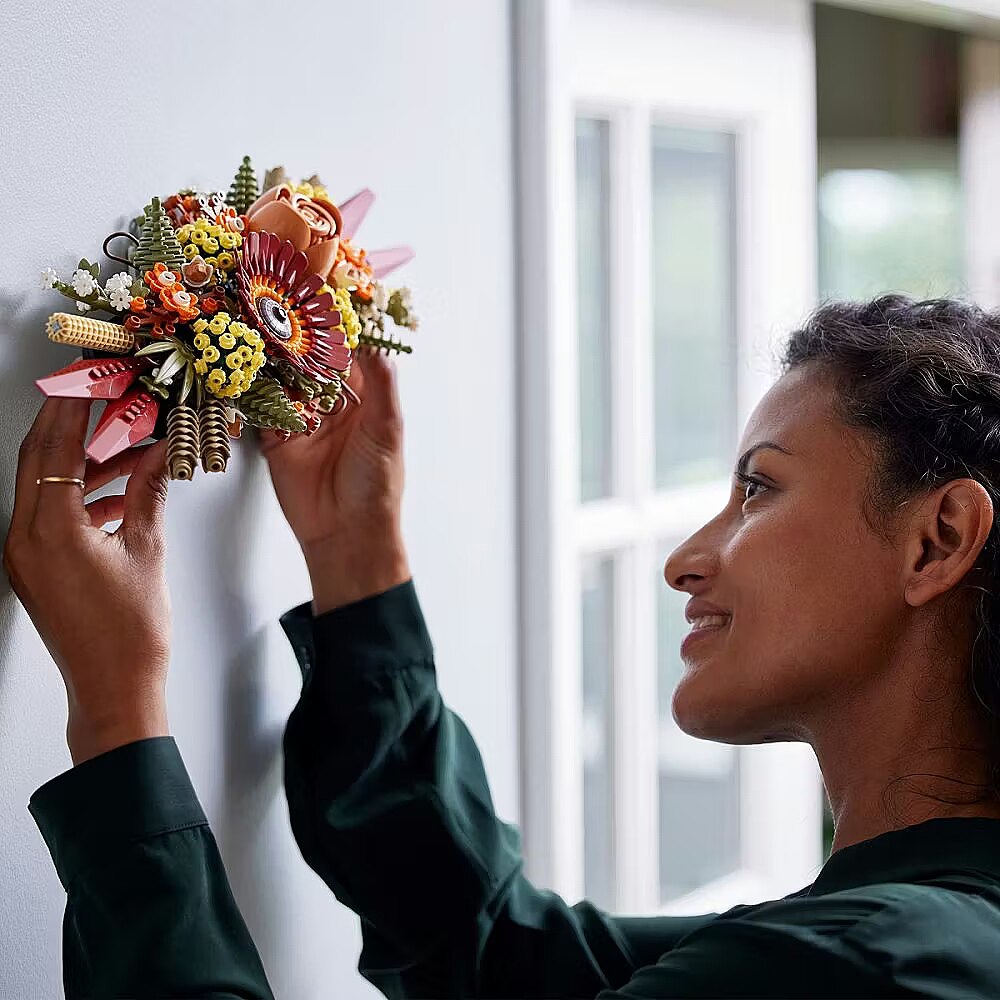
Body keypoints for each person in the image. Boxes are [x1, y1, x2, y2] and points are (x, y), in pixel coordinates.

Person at [8, 294, 1000, 999]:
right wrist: (355, 557)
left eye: (758, 488)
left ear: (938, 540)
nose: (685, 562)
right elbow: (496, 957)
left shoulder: (855, 962)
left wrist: (116, 711)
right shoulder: (914, 933)